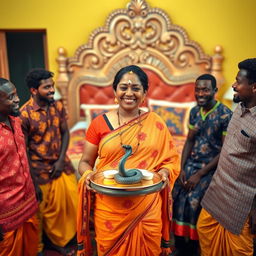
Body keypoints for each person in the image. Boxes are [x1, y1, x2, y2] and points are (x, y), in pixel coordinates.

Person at [77, 65, 180, 256]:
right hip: (110, 205)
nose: (129, 93)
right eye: (123, 87)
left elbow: (170, 159)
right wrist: (88, 175)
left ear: (144, 93)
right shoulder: (98, 123)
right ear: (115, 91)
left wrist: (165, 172)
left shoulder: (156, 122)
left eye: (136, 88)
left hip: (147, 204)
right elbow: (84, 162)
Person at [197, 58, 256, 256]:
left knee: (238, 251)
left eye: (239, 81)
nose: (233, 85)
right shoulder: (238, 107)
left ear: (254, 87)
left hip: (241, 202)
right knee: (204, 229)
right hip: (218, 190)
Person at [171, 74, 232, 256]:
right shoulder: (194, 111)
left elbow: (224, 151)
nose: (200, 93)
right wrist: (182, 168)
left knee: (194, 199)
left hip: (211, 167)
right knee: (176, 193)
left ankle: (195, 248)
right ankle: (181, 246)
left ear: (215, 91)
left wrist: (199, 175)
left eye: (205, 89)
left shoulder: (226, 114)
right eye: (197, 89)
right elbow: (189, 142)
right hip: (191, 163)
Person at [19, 69, 78, 255]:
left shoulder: (58, 106)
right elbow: (24, 150)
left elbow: (66, 132)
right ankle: (51, 244)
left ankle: (67, 238)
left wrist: (61, 161)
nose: (52, 90)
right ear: (34, 90)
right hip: (40, 170)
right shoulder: (24, 115)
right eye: (47, 87)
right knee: (43, 211)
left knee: (73, 200)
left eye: (52, 86)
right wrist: (33, 180)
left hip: (62, 165)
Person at [0, 78, 39, 256]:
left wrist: (35, 185)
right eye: (10, 97)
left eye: (15, 94)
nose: (17, 99)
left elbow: (23, 155)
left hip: (28, 199)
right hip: (6, 211)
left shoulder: (16, 121)